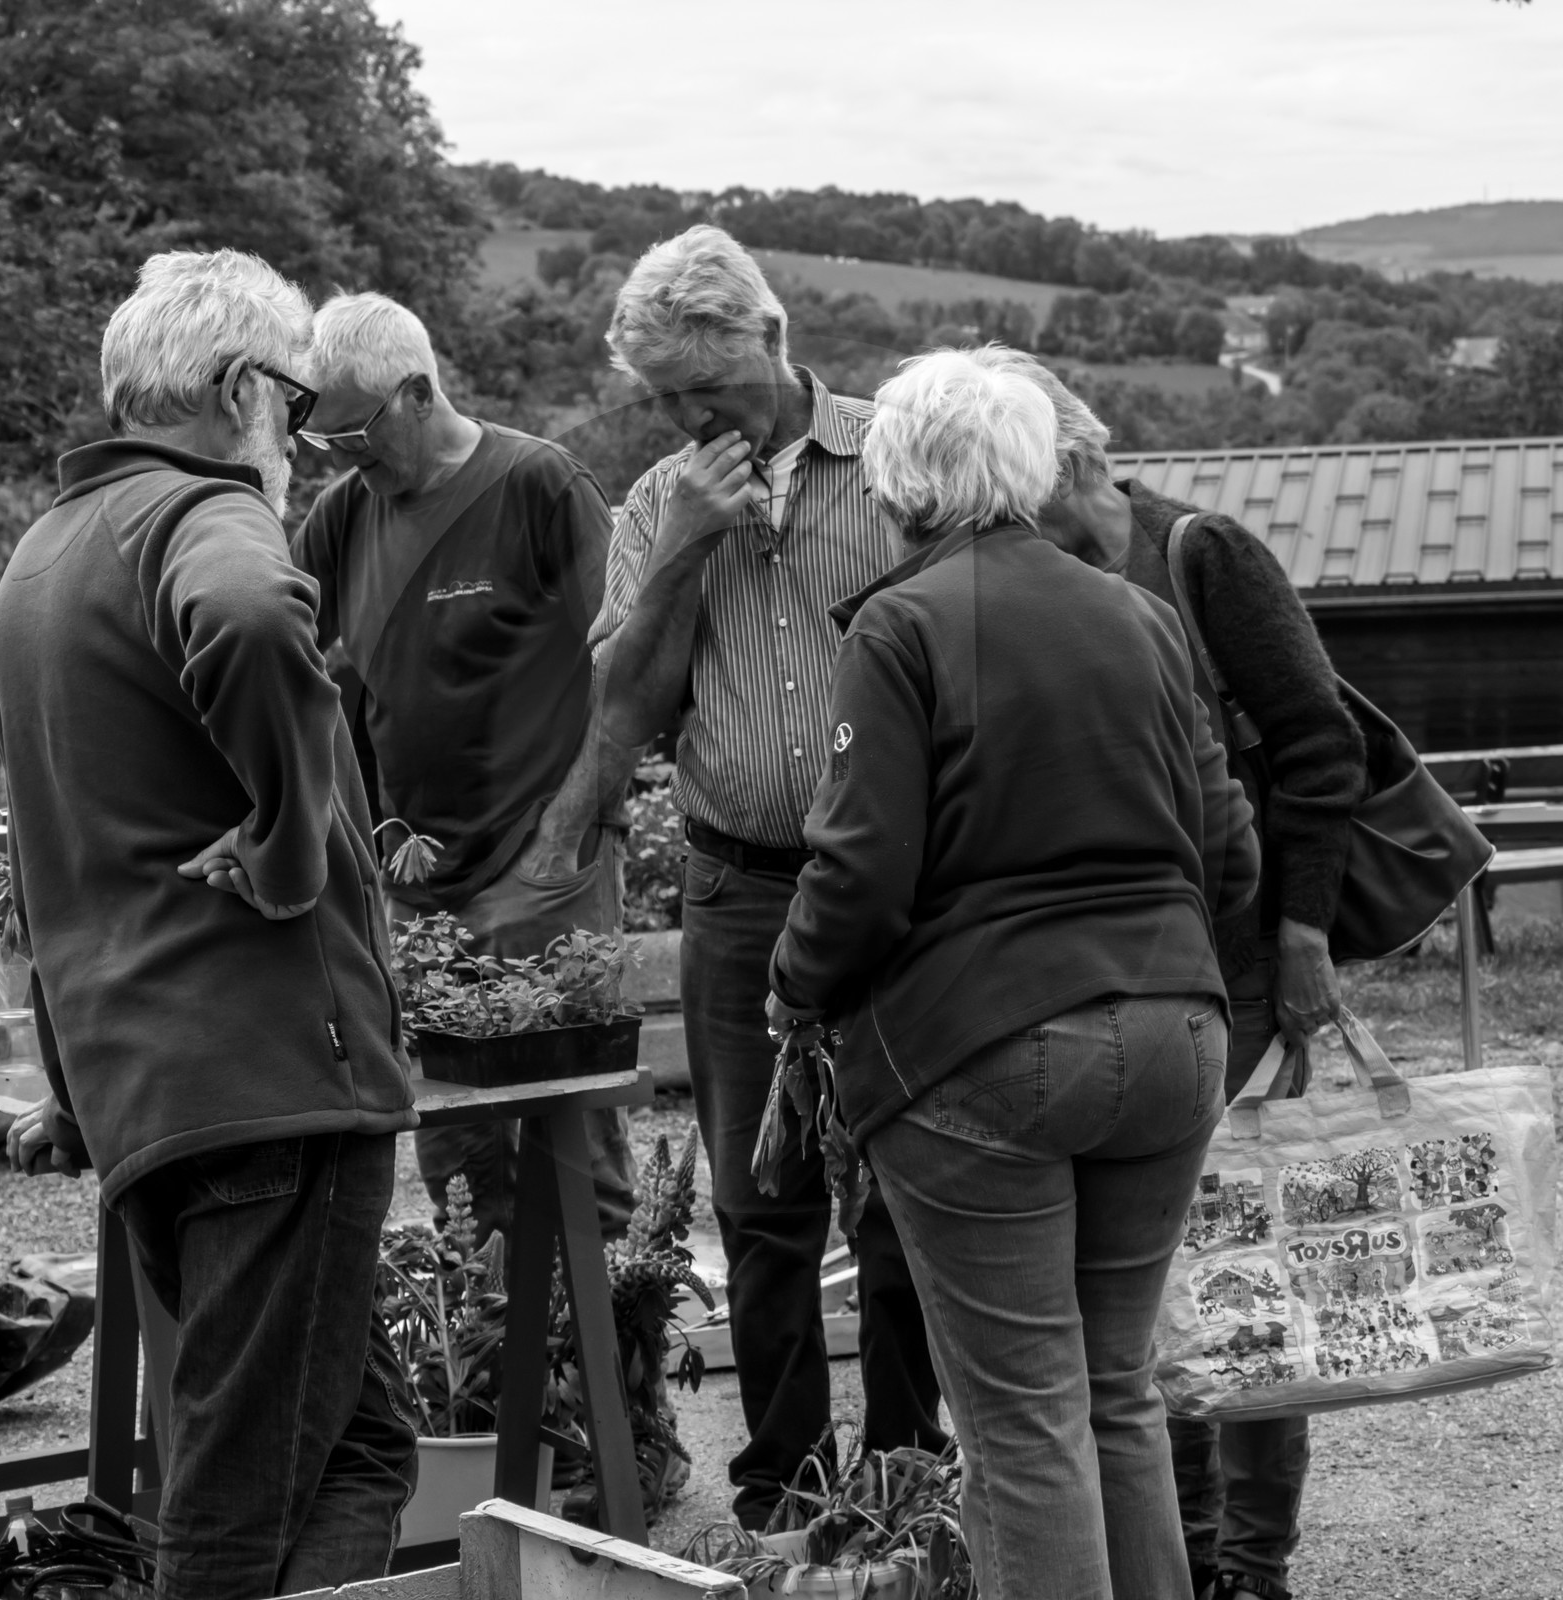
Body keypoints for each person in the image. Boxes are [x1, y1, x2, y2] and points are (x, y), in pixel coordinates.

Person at [766, 345, 1261, 1600]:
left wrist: (791, 986)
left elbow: (860, 872)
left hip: (987, 1047)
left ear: (896, 484)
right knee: (1117, 1392)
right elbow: (1230, 850)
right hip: (1176, 1031)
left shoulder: (901, 623)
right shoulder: (1139, 612)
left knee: (1022, 1418)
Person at [0, 250, 419, 1600]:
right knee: (234, 1504)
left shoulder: (43, 558)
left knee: (357, 1447)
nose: (296, 438)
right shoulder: (207, 518)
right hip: (275, 1082)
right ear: (242, 388)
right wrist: (296, 845)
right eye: (292, 404)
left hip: (149, 1094)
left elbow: (53, 861)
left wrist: (66, 1084)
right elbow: (244, 613)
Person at [581, 224, 945, 1526]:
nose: (686, 418)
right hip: (736, 890)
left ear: (773, 342)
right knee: (758, 1195)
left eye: (704, 388)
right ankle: (784, 1481)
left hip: (896, 889)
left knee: (902, 1185)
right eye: (663, 400)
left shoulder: (901, 468)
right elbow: (614, 712)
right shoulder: (652, 504)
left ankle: (909, 1467)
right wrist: (684, 543)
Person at [1022, 358, 1368, 1600]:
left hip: (1241, 972)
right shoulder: (1038, 574)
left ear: (1066, 462)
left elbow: (1322, 744)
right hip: (1125, 985)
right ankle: (1185, 1546)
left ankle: (1250, 1565)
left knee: (1248, 1272)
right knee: (1142, 1295)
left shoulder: (1198, 556)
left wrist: (1302, 936)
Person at [290, 292, 636, 1250]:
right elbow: (297, 684)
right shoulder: (340, 518)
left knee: (571, 1144)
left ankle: (617, 1382)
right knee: (457, 1148)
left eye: (355, 430)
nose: (344, 454)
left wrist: (568, 834)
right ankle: (493, 1384)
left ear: (417, 391)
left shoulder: (539, 486)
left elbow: (628, 671)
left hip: (546, 867)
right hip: (419, 886)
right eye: (322, 439)